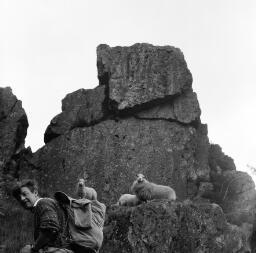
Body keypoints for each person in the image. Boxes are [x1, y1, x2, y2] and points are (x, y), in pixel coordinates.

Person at [12, 179, 73, 253]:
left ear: (35, 192)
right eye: (19, 197)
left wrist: (34, 248)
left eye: (24, 194)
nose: (21, 199)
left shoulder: (43, 203)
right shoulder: (46, 205)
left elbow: (50, 229)